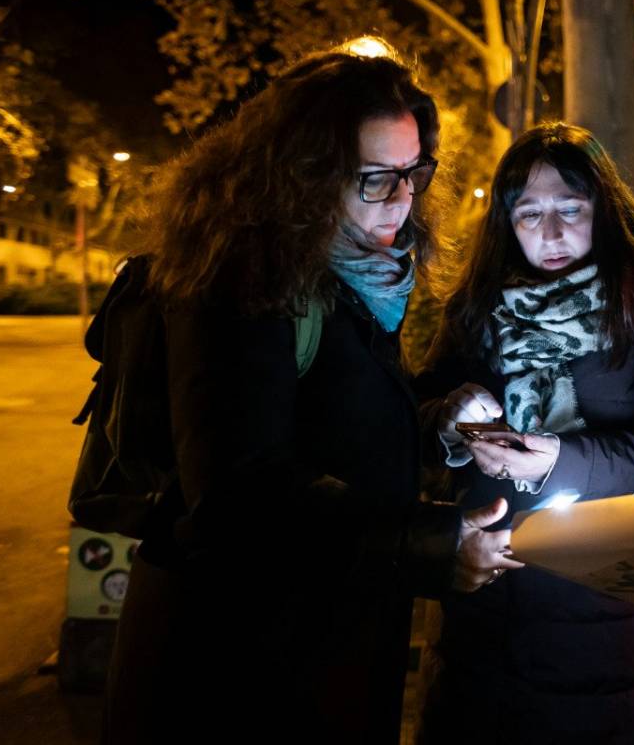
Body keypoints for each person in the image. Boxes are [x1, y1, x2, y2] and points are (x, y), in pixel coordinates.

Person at [102, 47, 520, 744]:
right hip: (236, 674)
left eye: (415, 171)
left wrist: (435, 424)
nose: (404, 198)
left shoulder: (357, 274)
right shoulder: (237, 280)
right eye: (375, 179)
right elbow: (238, 494)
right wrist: (431, 543)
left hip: (328, 646)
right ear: (302, 175)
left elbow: (334, 435)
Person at [414, 122, 634, 744]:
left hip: (605, 624)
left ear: (605, 210)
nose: (550, 233)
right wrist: (446, 418)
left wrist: (555, 463)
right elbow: (413, 420)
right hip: (481, 615)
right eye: (528, 213)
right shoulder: (476, 309)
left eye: (570, 209)